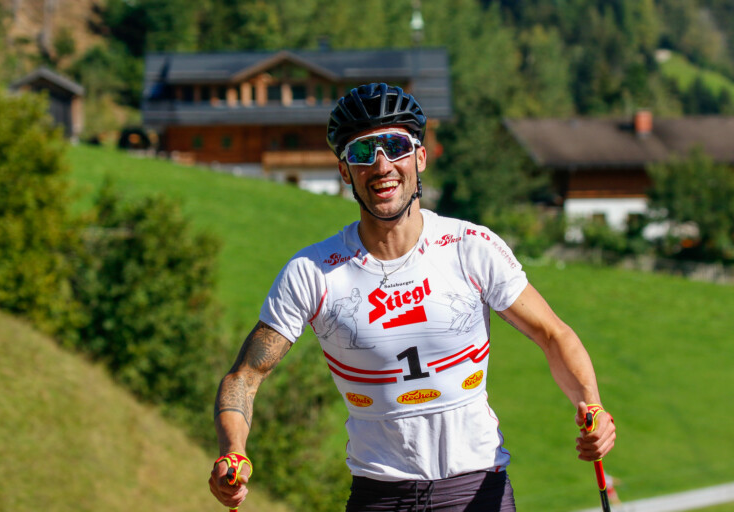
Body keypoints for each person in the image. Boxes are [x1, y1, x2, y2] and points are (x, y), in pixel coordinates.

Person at [209, 83, 616, 511]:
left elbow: (553, 335)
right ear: (346, 172)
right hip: (380, 496)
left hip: (475, 491)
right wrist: (232, 452)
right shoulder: (312, 273)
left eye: (395, 146)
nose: (382, 165)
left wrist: (592, 405)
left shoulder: (470, 246)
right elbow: (244, 378)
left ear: (420, 158)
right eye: (363, 153)